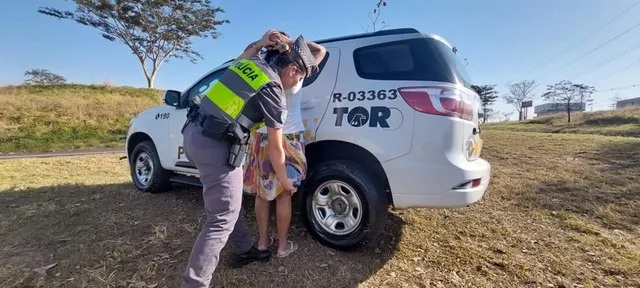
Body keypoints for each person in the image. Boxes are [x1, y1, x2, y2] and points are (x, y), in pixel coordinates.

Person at [179, 29, 320, 288]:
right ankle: (194, 283)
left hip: (193, 134)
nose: (296, 83)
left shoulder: (251, 63)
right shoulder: (274, 91)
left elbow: (244, 54)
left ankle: (244, 248)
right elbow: (277, 150)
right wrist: (285, 182)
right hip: (215, 146)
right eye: (298, 77)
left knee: (227, 202)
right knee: (221, 219)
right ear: (291, 71)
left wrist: (260, 43)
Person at [243, 31, 326, 258]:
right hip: (289, 138)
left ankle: (262, 242)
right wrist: (292, 43)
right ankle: (282, 246)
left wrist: (261, 42)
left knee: (262, 194)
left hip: (261, 137)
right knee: (284, 194)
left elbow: (242, 59)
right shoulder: (296, 71)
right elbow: (321, 51)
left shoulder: (262, 70)